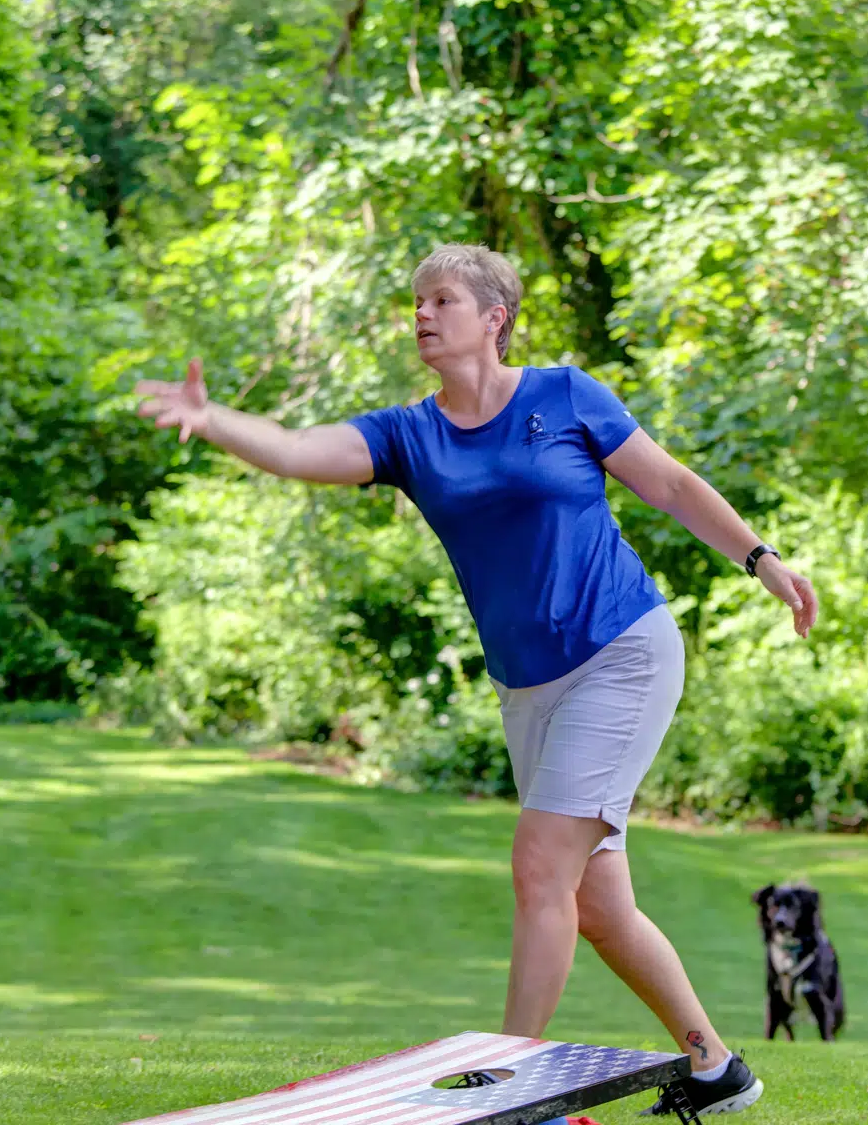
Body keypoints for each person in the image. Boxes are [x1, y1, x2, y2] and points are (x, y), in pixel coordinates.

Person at [137, 243, 818, 1118]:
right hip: (529, 690)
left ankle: (519, 1093)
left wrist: (760, 559)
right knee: (598, 908)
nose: (422, 315)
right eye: (417, 302)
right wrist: (215, 418)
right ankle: (717, 1068)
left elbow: (671, 487)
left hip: (622, 651)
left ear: (494, 318)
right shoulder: (409, 435)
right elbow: (299, 450)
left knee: (540, 867)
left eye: (443, 300)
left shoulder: (564, 396)